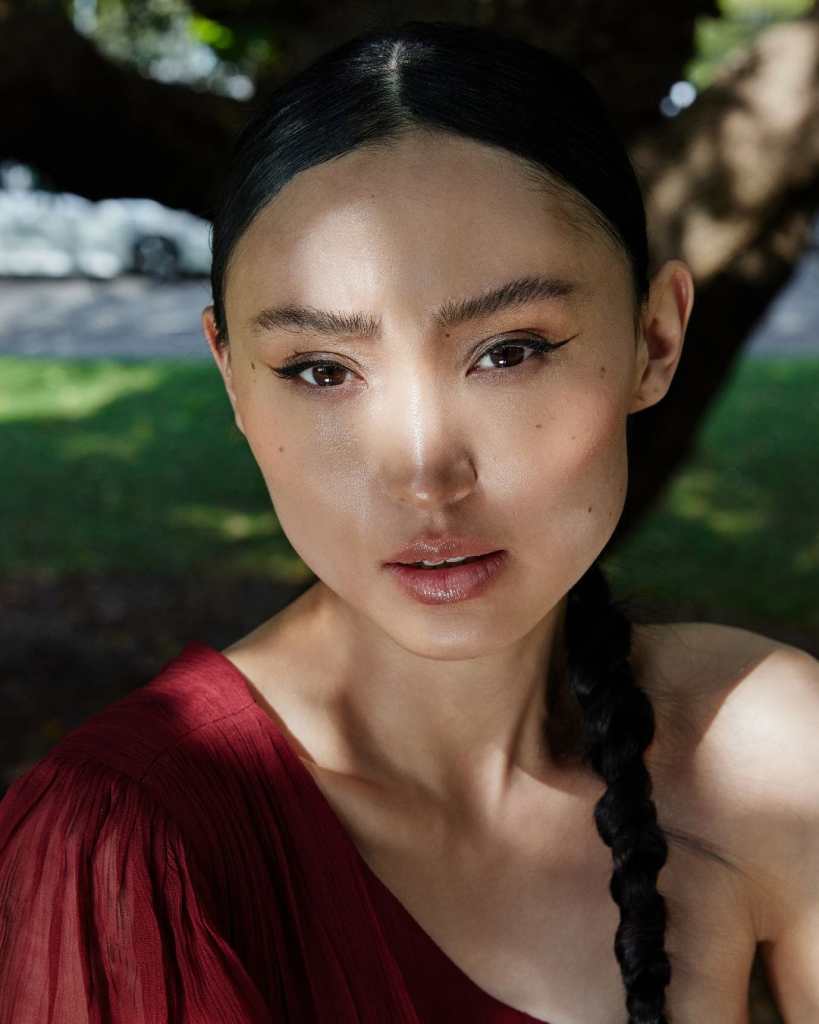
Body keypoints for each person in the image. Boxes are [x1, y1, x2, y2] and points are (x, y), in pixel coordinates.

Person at [1, 19, 818, 1024]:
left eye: (510, 350)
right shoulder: (134, 844)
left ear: (656, 337)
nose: (426, 475)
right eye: (320, 369)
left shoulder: (771, 754)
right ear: (232, 378)